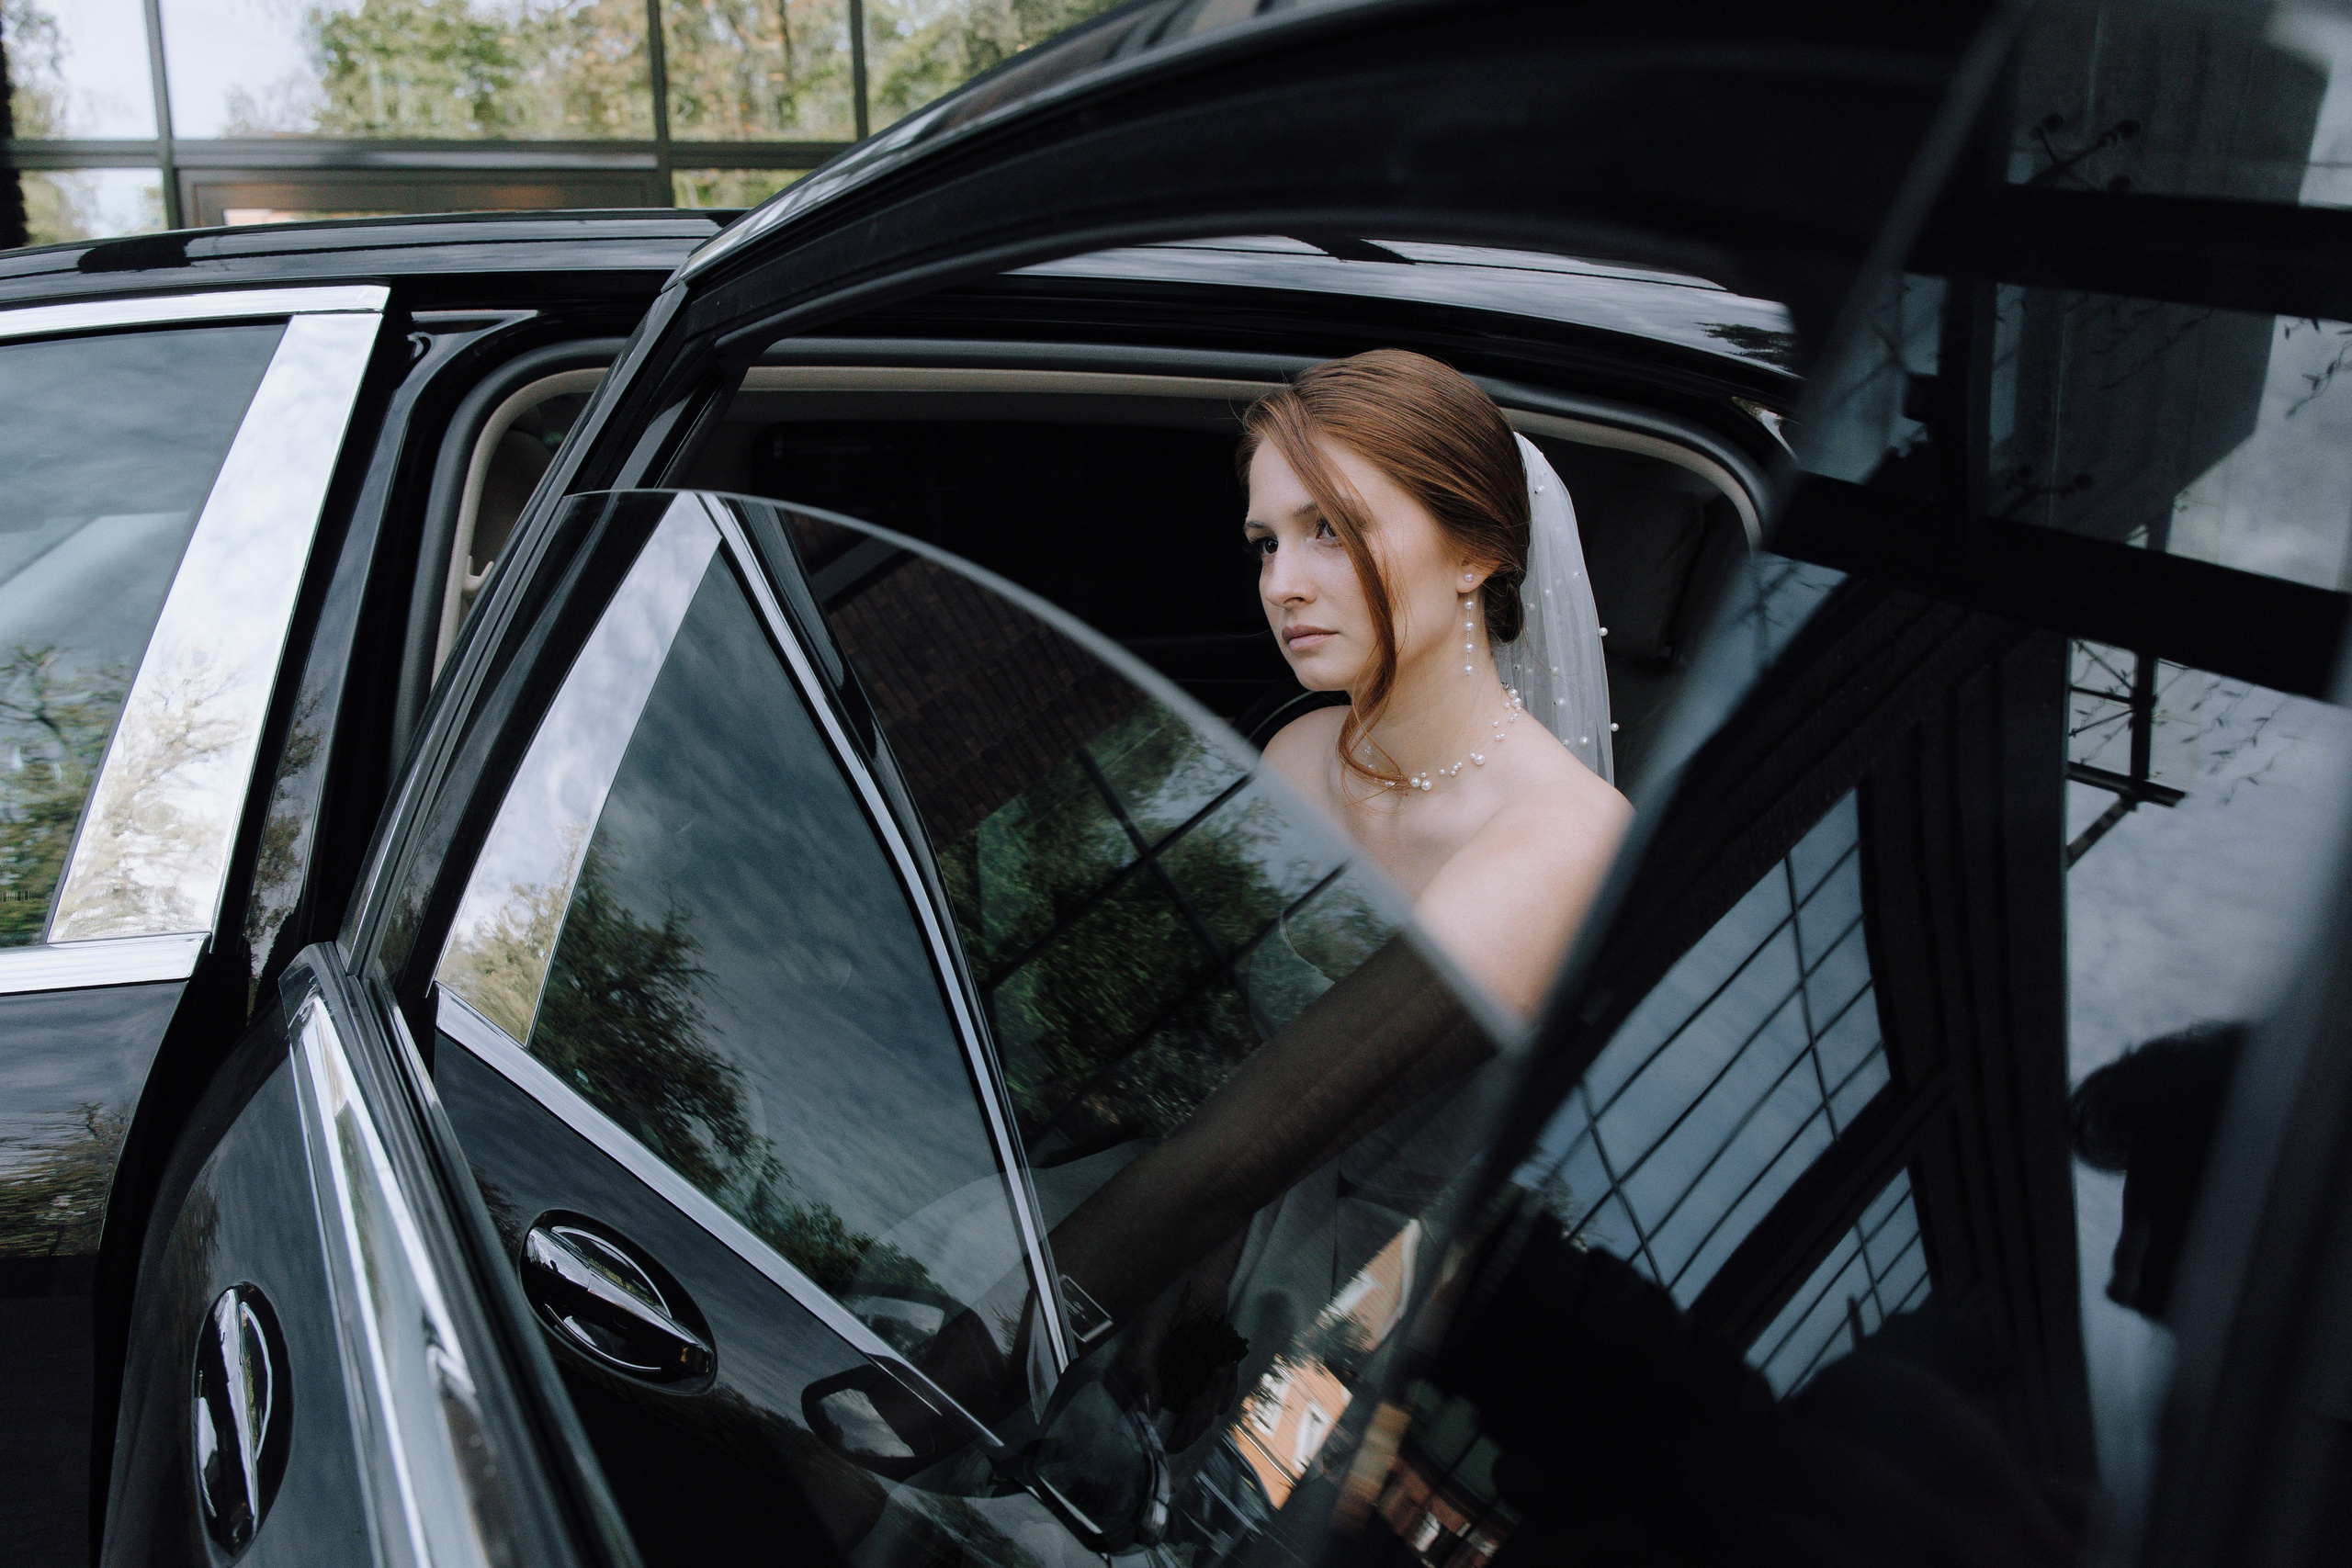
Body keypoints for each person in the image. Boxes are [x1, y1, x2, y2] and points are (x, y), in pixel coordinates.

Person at [1241, 349, 1632, 1020]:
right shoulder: (1296, 753)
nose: (1280, 585)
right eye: (1267, 544)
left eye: (1331, 528)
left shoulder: (1567, 837)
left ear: (1473, 551)